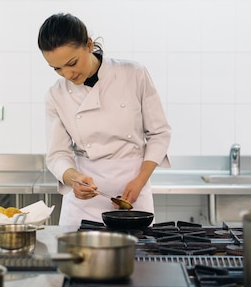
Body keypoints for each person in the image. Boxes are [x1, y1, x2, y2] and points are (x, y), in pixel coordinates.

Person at [37, 13, 171, 227]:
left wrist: (140, 181)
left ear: (89, 45)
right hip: (84, 203)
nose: (67, 74)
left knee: (137, 259)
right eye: (57, 68)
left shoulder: (133, 74)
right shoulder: (56, 95)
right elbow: (57, 155)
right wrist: (74, 179)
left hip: (134, 195)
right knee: (78, 260)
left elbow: (159, 133)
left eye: (72, 63)